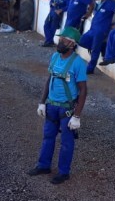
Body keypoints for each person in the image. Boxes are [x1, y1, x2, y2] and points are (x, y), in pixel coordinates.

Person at [28, 27, 87, 184]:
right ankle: (43, 165)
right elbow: (50, 79)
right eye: (60, 39)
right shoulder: (54, 57)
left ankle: (63, 172)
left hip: (66, 109)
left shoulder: (78, 63)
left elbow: (83, 90)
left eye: (64, 40)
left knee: (67, 142)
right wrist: (42, 102)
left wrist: (77, 116)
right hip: (51, 105)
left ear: (73, 44)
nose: (60, 42)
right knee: (48, 137)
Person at [78, 0, 115, 74]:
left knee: (95, 50)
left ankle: (90, 69)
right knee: (81, 41)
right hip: (93, 29)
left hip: (101, 31)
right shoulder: (97, 4)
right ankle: (102, 47)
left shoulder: (110, 3)